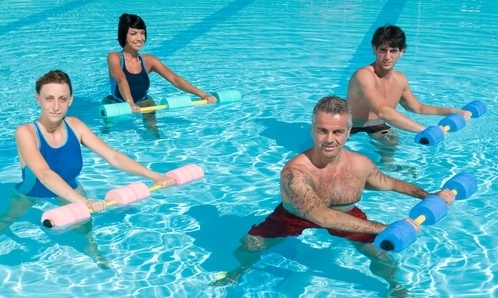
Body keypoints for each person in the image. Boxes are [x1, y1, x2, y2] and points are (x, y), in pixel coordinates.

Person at [212, 96, 455, 295]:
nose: (329, 139)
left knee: (381, 253)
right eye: (322, 131)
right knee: (248, 246)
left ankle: (395, 286)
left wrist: (426, 195)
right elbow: (322, 217)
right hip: (294, 215)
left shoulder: (360, 164)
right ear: (313, 130)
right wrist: (384, 227)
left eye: (338, 131)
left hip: (345, 213)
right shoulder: (296, 172)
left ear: (349, 131)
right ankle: (240, 269)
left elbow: (388, 182)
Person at [4, 69, 175, 268]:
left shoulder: (76, 126)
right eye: (49, 98)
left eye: (62, 98)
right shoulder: (25, 132)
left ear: (70, 100)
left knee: (84, 226)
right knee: (7, 219)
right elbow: (44, 174)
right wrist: (83, 201)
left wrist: (154, 175)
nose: (56, 106)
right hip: (32, 190)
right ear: (38, 99)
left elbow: (113, 156)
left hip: (69, 186)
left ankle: (93, 251)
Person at [346, 25, 471, 146]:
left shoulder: (400, 79)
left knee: (392, 142)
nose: (387, 57)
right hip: (351, 127)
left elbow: (417, 108)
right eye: (383, 50)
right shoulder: (364, 75)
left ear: (401, 52)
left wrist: (452, 111)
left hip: (377, 126)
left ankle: (389, 165)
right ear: (374, 49)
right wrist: (425, 130)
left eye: (393, 51)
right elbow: (383, 111)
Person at [103, 13, 216, 137]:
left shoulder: (149, 61)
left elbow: (174, 79)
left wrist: (203, 94)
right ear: (124, 35)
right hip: (115, 103)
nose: (140, 38)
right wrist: (130, 102)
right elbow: (121, 78)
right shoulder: (114, 57)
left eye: (142, 33)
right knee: (106, 132)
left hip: (144, 102)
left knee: (153, 132)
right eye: (133, 33)